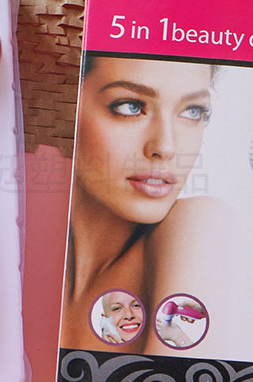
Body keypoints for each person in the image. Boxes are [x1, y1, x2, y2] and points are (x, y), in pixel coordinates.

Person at [61, 54, 230, 354]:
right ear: (69, 105)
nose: (165, 147)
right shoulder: (25, 244)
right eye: (130, 106)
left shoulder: (199, 228)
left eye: (192, 111)